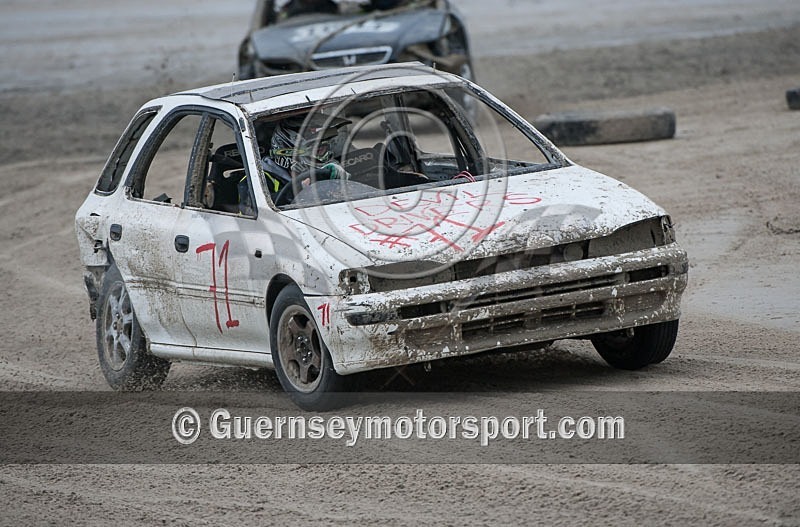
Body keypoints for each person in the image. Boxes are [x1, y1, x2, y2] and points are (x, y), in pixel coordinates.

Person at [261, 114, 352, 199]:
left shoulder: (334, 173)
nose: (327, 157)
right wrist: (299, 189)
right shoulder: (259, 180)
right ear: (290, 154)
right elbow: (260, 209)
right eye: (318, 150)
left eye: (326, 149)